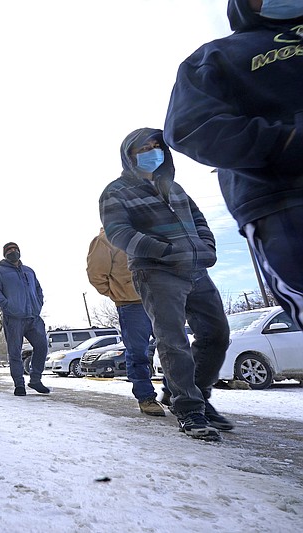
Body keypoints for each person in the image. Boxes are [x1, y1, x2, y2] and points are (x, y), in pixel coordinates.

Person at [164, 0, 303, 329]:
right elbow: (191, 126)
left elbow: (199, 226)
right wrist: (286, 142)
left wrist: (205, 249)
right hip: (285, 201)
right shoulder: (215, 57)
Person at [99, 127, 233, 441]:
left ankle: (192, 394)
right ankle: (190, 410)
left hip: (197, 271)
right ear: (129, 156)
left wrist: (206, 248)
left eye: (156, 146)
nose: (151, 152)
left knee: (216, 335)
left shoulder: (174, 188)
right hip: (156, 272)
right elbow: (119, 233)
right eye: (143, 148)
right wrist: (166, 252)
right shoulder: (116, 191)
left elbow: (199, 220)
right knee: (173, 341)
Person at [86, 228, 165, 417]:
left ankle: (174, 392)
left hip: (162, 299)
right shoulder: (105, 240)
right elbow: (96, 275)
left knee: (174, 347)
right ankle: (145, 397)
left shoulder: (150, 232)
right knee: (138, 352)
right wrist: (118, 293)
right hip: (132, 304)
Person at [0, 243, 50, 396]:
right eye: (9, 250)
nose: (13, 252)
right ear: (4, 254)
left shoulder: (29, 271)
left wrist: (38, 304)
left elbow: (38, 289)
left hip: (33, 317)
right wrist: (7, 306)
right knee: (15, 352)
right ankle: (19, 385)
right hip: (14, 319)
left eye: (15, 249)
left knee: (42, 346)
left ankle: (35, 380)